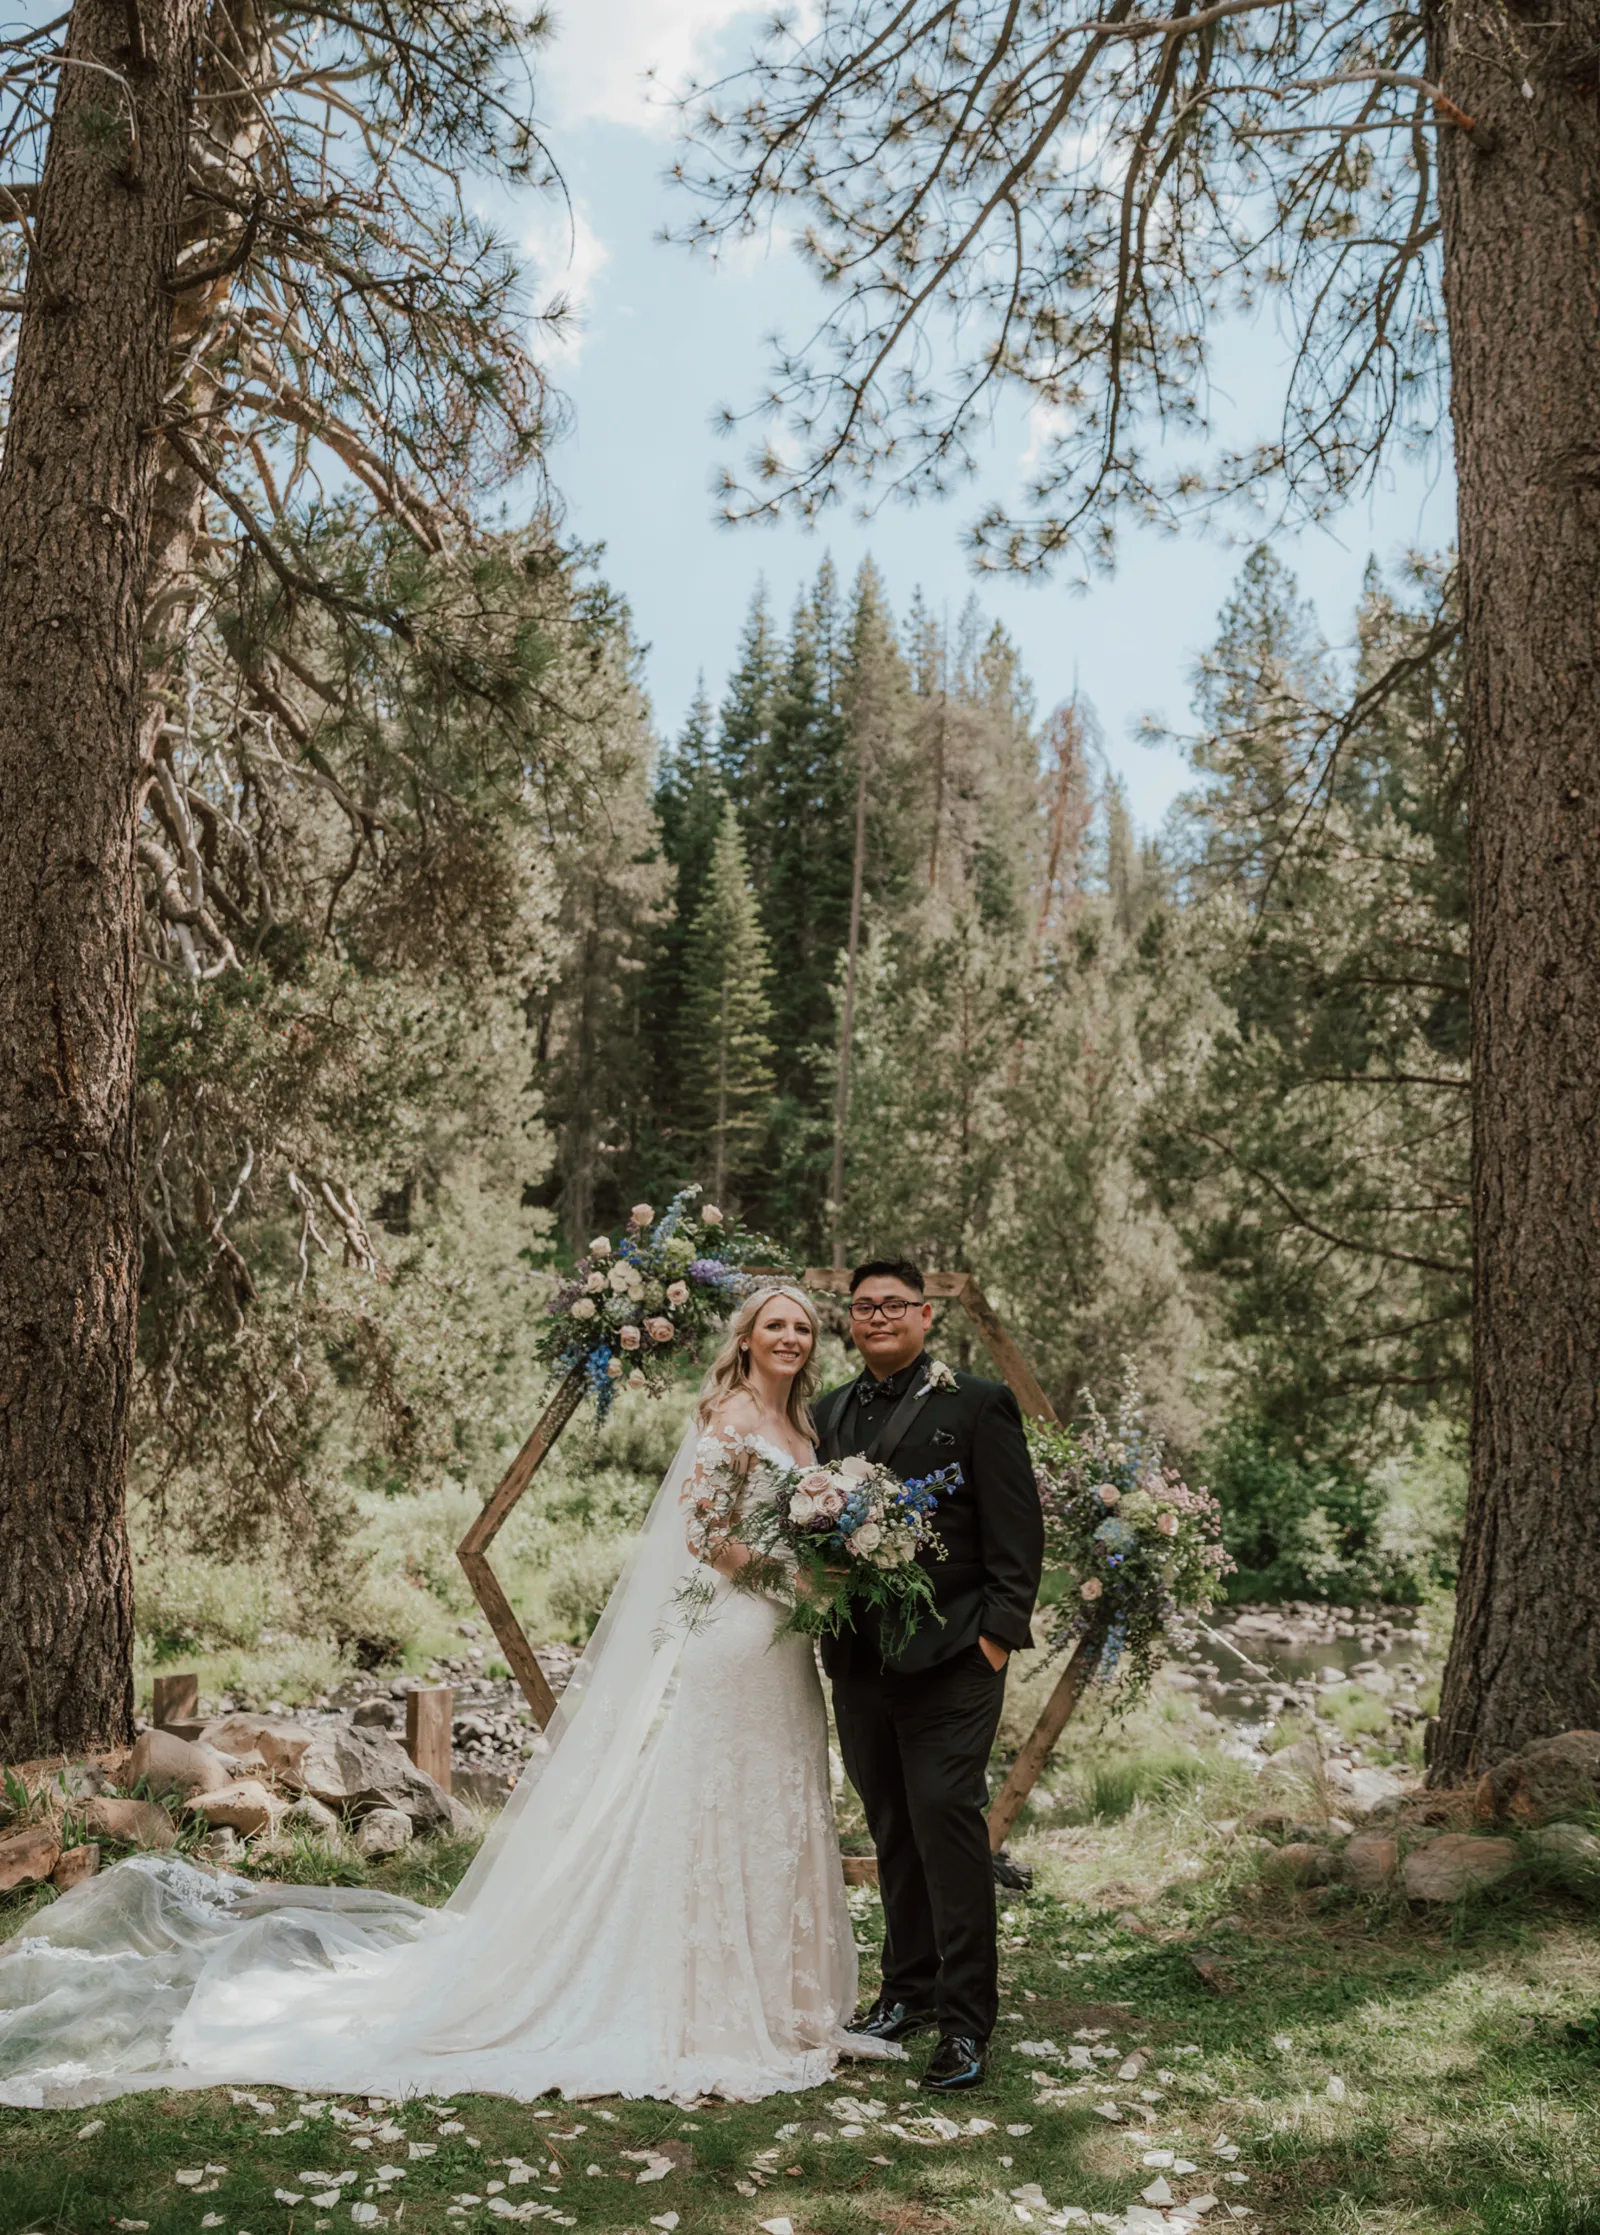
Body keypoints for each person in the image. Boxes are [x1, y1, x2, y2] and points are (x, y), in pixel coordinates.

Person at [0, 1284, 895, 2109]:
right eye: (775, 1322)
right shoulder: (730, 1415)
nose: (791, 1334)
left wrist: (821, 1576)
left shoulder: (807, 1430)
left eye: (803, 1326)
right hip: (732, 1638)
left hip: (782, 1652)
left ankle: (788, 2002)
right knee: (718, 1801)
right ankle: (709, 2001)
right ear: (745, 1340)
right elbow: (703, 1534)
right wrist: (785, 1577)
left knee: (780, 1796)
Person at [817, 1257, 1044, 2094]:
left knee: (948, 1823)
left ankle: (965, 2021)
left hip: (954, 1655)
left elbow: (1018, 1532)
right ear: (852, 1320)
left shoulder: (977, 1402)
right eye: (863, 1306)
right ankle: (904, 1992)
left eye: (892, 1305)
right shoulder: (829, 1411)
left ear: (923, 1315)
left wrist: (995, 1637)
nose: (876, 1316)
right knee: (890, 1828)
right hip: (859, 1659)